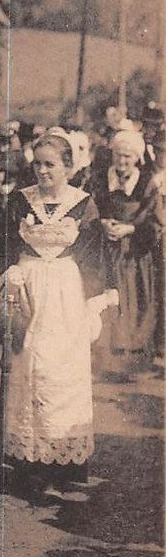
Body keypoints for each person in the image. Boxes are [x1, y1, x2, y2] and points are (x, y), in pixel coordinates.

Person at [0, 128, 112, 500]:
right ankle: (25, 462)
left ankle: (61, 462)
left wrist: (91, 305)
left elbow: (93, 258)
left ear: (68, 166)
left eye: (50, 165)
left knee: (57, 371)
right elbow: (1, 245)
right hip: (25, 288)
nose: (42, 172)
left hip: (64, 295)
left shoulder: (84, 204)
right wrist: (9, 270)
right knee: (21, 366)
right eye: (37, 164)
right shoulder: (19, 201)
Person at [89, 128, 162, 378]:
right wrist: (102, 224)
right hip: (106, 252)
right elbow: (89, 208)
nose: (122, 162)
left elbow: (155, 219)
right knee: (108, 301)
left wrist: (130, 228)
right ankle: (107, 363)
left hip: (134, 255)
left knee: (135, 301)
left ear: (137, 158)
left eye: (128, 157)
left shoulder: (146, 183)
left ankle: (133, 365)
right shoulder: (99, 179)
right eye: (119, 156)